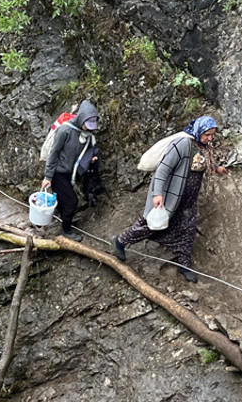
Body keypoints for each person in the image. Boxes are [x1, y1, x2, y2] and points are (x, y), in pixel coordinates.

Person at [111, 116, 226, 283]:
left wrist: (217, 168)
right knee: (150, 225)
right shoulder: (182, 144)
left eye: (212, 135)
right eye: (207, 134)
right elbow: (163, 170)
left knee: (187, 229)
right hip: (170, 197)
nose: (210, 138)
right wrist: (157, 194)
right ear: (199, 131)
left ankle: (184, 265)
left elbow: (203, 162)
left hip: (188, 201)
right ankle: (120, 241)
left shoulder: (203, 147)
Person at [41, 100, 99, 241]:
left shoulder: (86, 135)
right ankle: (66, 230)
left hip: (69, 172)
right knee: (72, 202)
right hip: (57, 172)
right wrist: (48, 177)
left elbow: (80, 153)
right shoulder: (65, 130)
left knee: (64, 199)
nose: (89, 128)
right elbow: (54, 153)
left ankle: (63, 219)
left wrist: (89, 160)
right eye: (87, 125)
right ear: (81, 119)